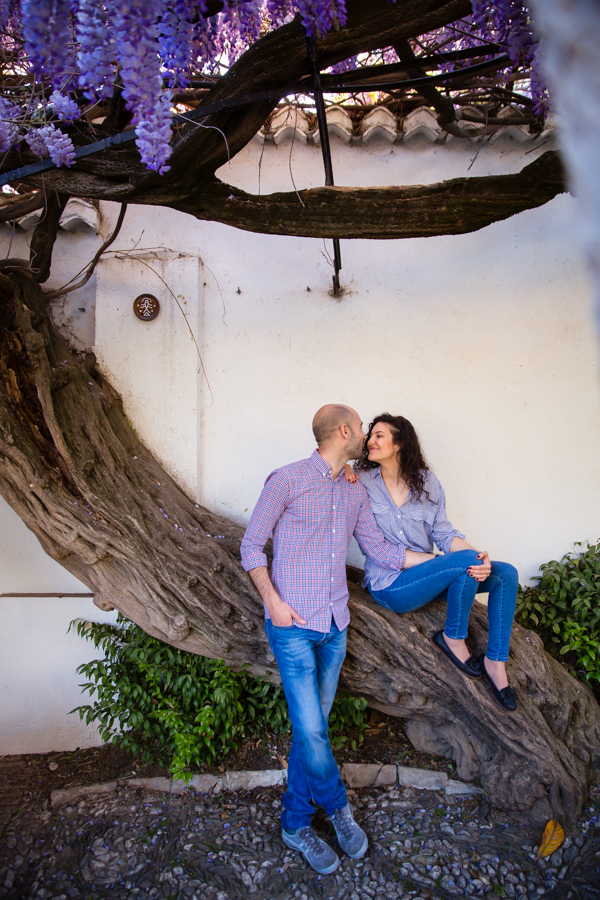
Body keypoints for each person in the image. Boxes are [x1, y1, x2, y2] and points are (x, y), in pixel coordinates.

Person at [241, 404, 428, 875]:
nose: (365, 436)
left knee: (313, 732)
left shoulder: (354, 492)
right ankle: (340, 811)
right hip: (293, 627)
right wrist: (274, 605)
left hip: (335, 626)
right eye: (362, 428)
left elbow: (380, 551)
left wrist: (444, 562)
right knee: (310, 730)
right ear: (344, 430)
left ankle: (295, 823)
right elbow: (250, 546)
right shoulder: (285, 479)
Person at [350, 413, 519, 713]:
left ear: (399, 443)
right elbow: (379, 552)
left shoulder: (426, 482)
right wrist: (445, 563)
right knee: (463, 563)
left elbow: (443, 533)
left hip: (429, 579)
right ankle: (453, 639)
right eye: (371, 435)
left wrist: (478, 556)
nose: (369, 441)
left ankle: (496, 661)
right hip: (390, 585)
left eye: (379, 436)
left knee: (505, 573)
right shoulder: (360, 481)